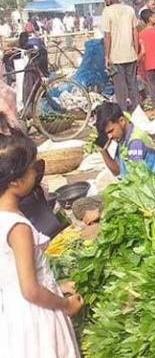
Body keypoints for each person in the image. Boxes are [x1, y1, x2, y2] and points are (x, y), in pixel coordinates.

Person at [0, 116, 84, 358]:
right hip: (36, 316)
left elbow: (14, 275)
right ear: (15, 180)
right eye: (32, 170)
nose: (37, 174)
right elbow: (30, 290)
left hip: (14, 315)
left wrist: (57, 286)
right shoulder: (18, 228)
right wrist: (66, 304)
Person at [95, 102, 155, 178]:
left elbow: (136, 180)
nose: (109, 136)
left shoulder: (135, 142)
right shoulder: (122, 137)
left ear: (122, 121)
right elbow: (117, 171)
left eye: (111, 131)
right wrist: (103, 151)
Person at [102, 0, 140, 112]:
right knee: (133, 86)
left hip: (116, 57)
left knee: (120, 88)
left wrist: (107, 56)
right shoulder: (129, 9)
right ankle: (137, 112)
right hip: (130, 55)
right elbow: (135, 32)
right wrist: (136, 50)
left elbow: (107, 36)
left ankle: (123, 114)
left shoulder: (107, 11)